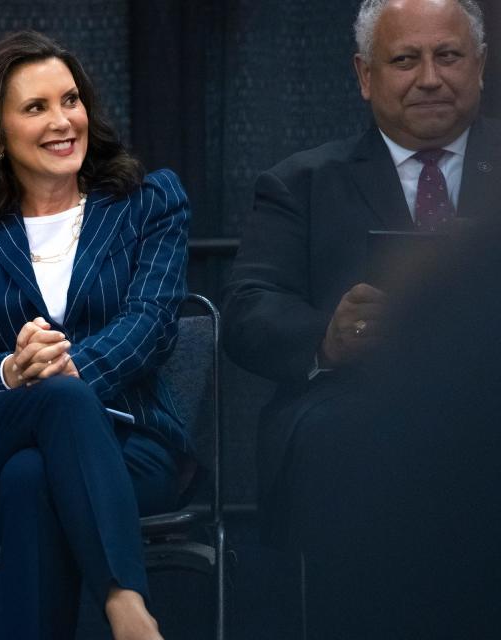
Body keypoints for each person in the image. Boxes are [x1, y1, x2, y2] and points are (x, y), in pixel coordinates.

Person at [222, 0, 500, 635]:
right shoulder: (301, 184)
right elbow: (248, 310)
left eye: (449, 56)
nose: (430, 77)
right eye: (405, 59)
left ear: (480, 67)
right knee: (345, 444)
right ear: (364, 75)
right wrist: (327, 336)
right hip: (355, 406)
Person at [0, 30, 193, 640]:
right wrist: (12, 374)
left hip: (128, 441)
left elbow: (149, 325)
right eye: (35, 108)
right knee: (49, 418)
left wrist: (71, 371)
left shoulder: (148, 202)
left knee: (32, 476)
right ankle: (128, 607)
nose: (62, 121)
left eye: (70, 100)